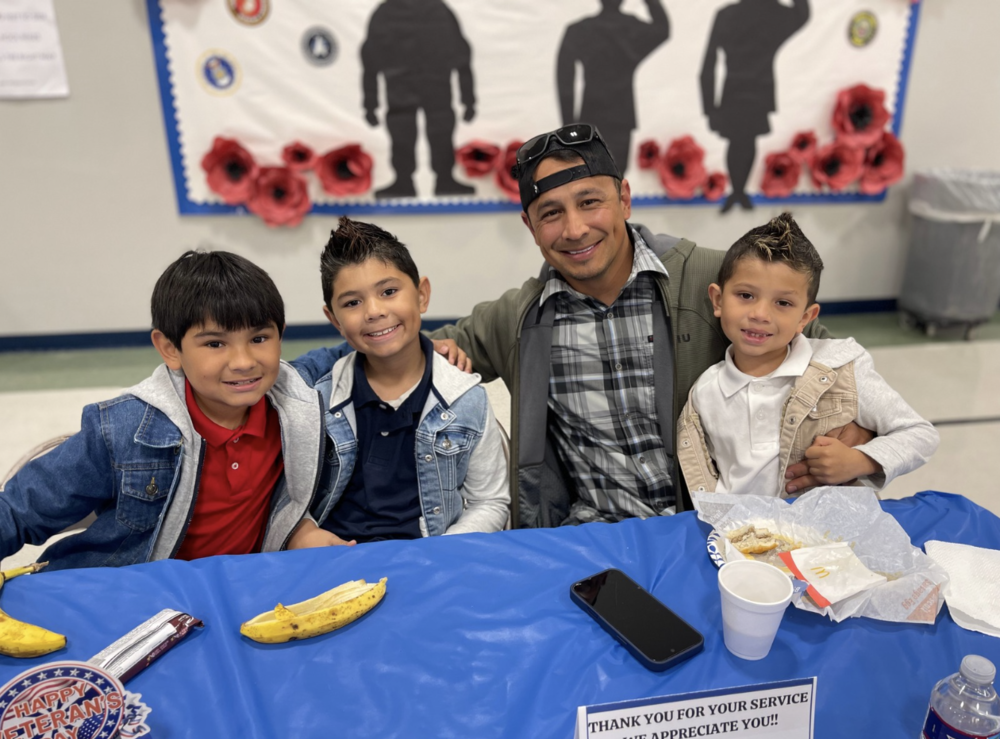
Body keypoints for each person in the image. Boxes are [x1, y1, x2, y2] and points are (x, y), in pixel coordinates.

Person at [427, 123, 872, 528]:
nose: (576, 229)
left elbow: (839, 365)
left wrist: (864, 442)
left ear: (624, 198)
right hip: (595, 537)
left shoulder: (718, 282)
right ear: (530, 225)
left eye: (589, 202)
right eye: (551, 213)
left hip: (717, 529)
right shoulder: (518, 318)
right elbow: (403, 353)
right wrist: (434, 356)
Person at [0, 251, 327, 570]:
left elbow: (350, 350)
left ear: (280, 335)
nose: (243, 362)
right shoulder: (123, 430)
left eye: (259, 338)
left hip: (233, 593)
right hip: (122, 594)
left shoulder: (292, 399)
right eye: (215, 343)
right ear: (170, 349)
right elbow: (17, 511)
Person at [285, 218, 510, 549]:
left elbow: (489, 502)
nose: (374, 311)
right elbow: (287, 496)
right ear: (334, 319)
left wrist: (444, 552)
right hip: (335, 560)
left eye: (389, 292)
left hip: (435, 558)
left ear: (421, 296)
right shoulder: (316, 400)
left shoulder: (465, 398)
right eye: (352, 303)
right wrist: (303, 530)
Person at [677, 213, 939, 496]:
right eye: (745, 295)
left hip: (830, 534)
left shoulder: (842, 367)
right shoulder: (704, 393)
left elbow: (920, 434)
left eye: (783, 302)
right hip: (743, 536)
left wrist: (859, 460)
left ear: (805, 317)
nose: (759, 314)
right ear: (717, 300)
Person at [699, 0, 809, 212]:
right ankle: (738, 191)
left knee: (742, 139)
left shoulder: (733, 14)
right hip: (747, 90)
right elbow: (801, 14)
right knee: (743, 140)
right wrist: (709, 107)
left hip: (746, 90)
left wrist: (709, 107)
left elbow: (709, 62)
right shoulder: (772, 13)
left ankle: (738, 191)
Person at [361, 0, 476, 199]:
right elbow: (370, 58)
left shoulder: (436, 10)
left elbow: (461, 54)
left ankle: (442, 179)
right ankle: (406, 180)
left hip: (430, 84)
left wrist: (469, 99)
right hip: (406, 86)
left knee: (437, 129)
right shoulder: (390, 12)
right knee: (403, 131)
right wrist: (370, 104)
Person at [556, 0, 670, 172]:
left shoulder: (580, 29)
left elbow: (565, 80)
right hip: (621, 116)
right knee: (616, 176)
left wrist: (569, 125)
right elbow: (662, 29)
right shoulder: (632, 28)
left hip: (591, 114)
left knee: (591, 176)